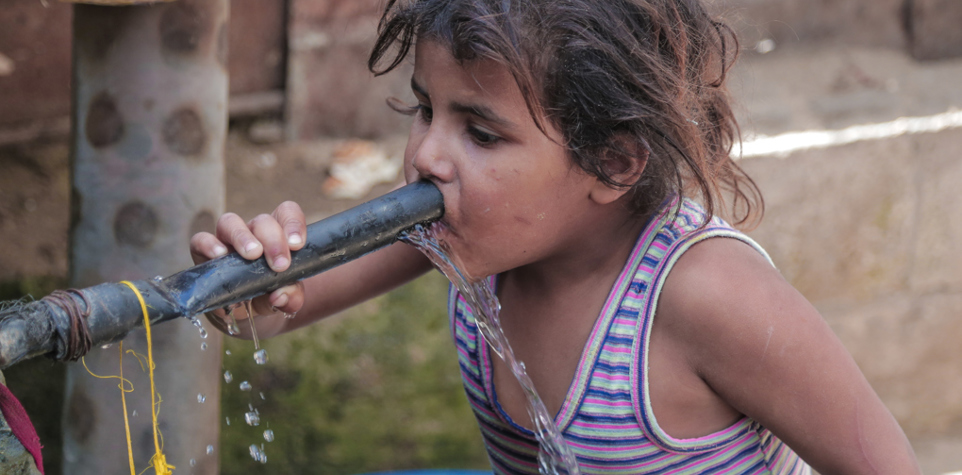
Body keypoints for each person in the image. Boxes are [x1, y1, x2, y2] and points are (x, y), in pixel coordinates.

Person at [190, 0, 921, 473]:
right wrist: (259, 277)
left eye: (479, 131)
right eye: (424, 109)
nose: (426, 155)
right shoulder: (457, 227)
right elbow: (281, 305)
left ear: (612, 161)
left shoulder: (706, 295)